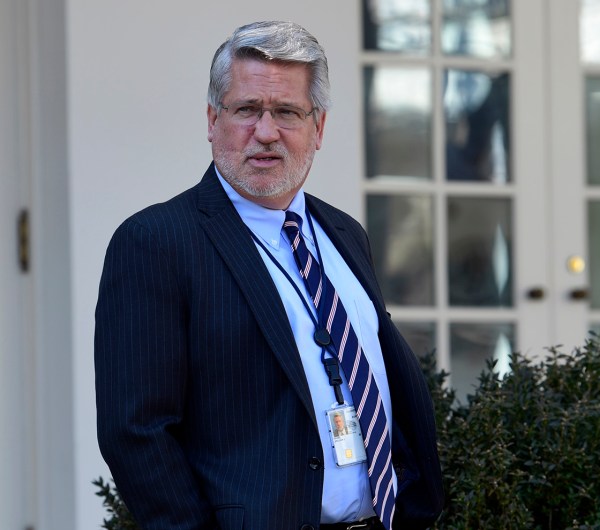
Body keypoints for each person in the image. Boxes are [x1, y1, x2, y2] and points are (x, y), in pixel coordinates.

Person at [95, 21, 443, 530]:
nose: (265, 131)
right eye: (246, 109)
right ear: (213, 119)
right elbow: (136, 432)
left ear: (318, 127)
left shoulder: (344, 233)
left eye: (286, 112)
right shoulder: (157, 242)